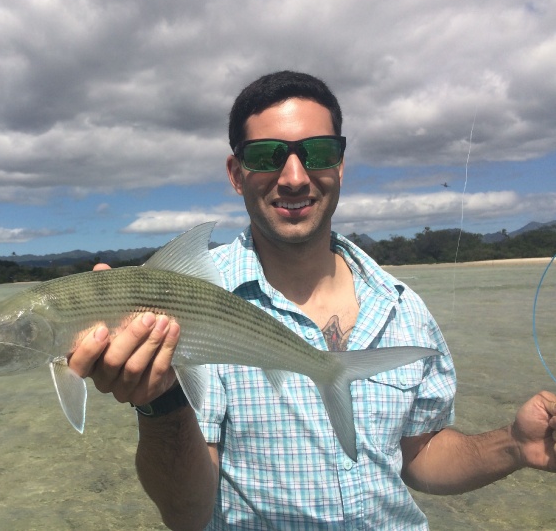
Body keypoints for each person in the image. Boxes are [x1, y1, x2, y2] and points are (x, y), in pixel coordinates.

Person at [69, 71, 556, 530]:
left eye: (319, 151)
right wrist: (161, 403)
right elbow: (187, 514)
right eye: (266, 156)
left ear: (340, 165)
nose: (295, 177)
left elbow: (420, 456)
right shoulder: (190, 304)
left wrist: (515, 445)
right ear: (236, 173)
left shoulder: (403, 306)